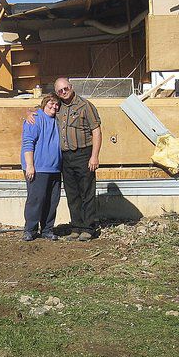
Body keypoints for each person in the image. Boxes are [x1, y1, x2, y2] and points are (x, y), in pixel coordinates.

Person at [53, 78, 101, 241]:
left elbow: (96, 131)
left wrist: (94, 156)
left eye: (65, 88)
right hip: (66, 157)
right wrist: (29, 113)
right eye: (60, 90)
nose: (63, 92)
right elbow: (42, 109)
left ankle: (88, 228)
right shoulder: (57, 106)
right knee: (72, 193)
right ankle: (76, 227)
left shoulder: (85, 105)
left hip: (83, 154)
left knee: (86, 191)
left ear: (71, 87)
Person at [20, 93, 62, 241]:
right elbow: (28, 143)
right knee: (36, 199)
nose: (54, 106)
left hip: (55, 168)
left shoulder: (58, 120)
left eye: (56, 104)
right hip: (38, 167)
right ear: (44, 104)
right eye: (51, 103)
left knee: (52, 200)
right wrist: (30, 165)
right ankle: (30, 230)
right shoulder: (35, 119)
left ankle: (47, 229)